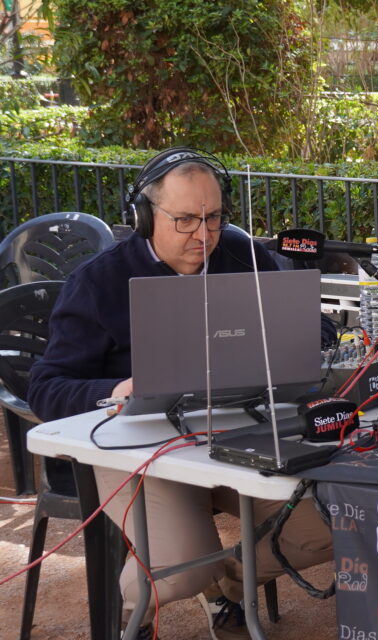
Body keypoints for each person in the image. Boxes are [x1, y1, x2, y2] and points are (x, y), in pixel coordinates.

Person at [28, 147, 333, 639]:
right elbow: (47, 387)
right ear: (145, 216)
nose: (203, 234)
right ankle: (133, 612)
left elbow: (311, 321)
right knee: (181, 568)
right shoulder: (98, 283)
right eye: (186, 219)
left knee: (331, 520)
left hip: (242, 432)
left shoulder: (239, 253)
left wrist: (298, 337)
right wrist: (117, 389)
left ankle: (229, 590)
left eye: (213, 217)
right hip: (139, 448)